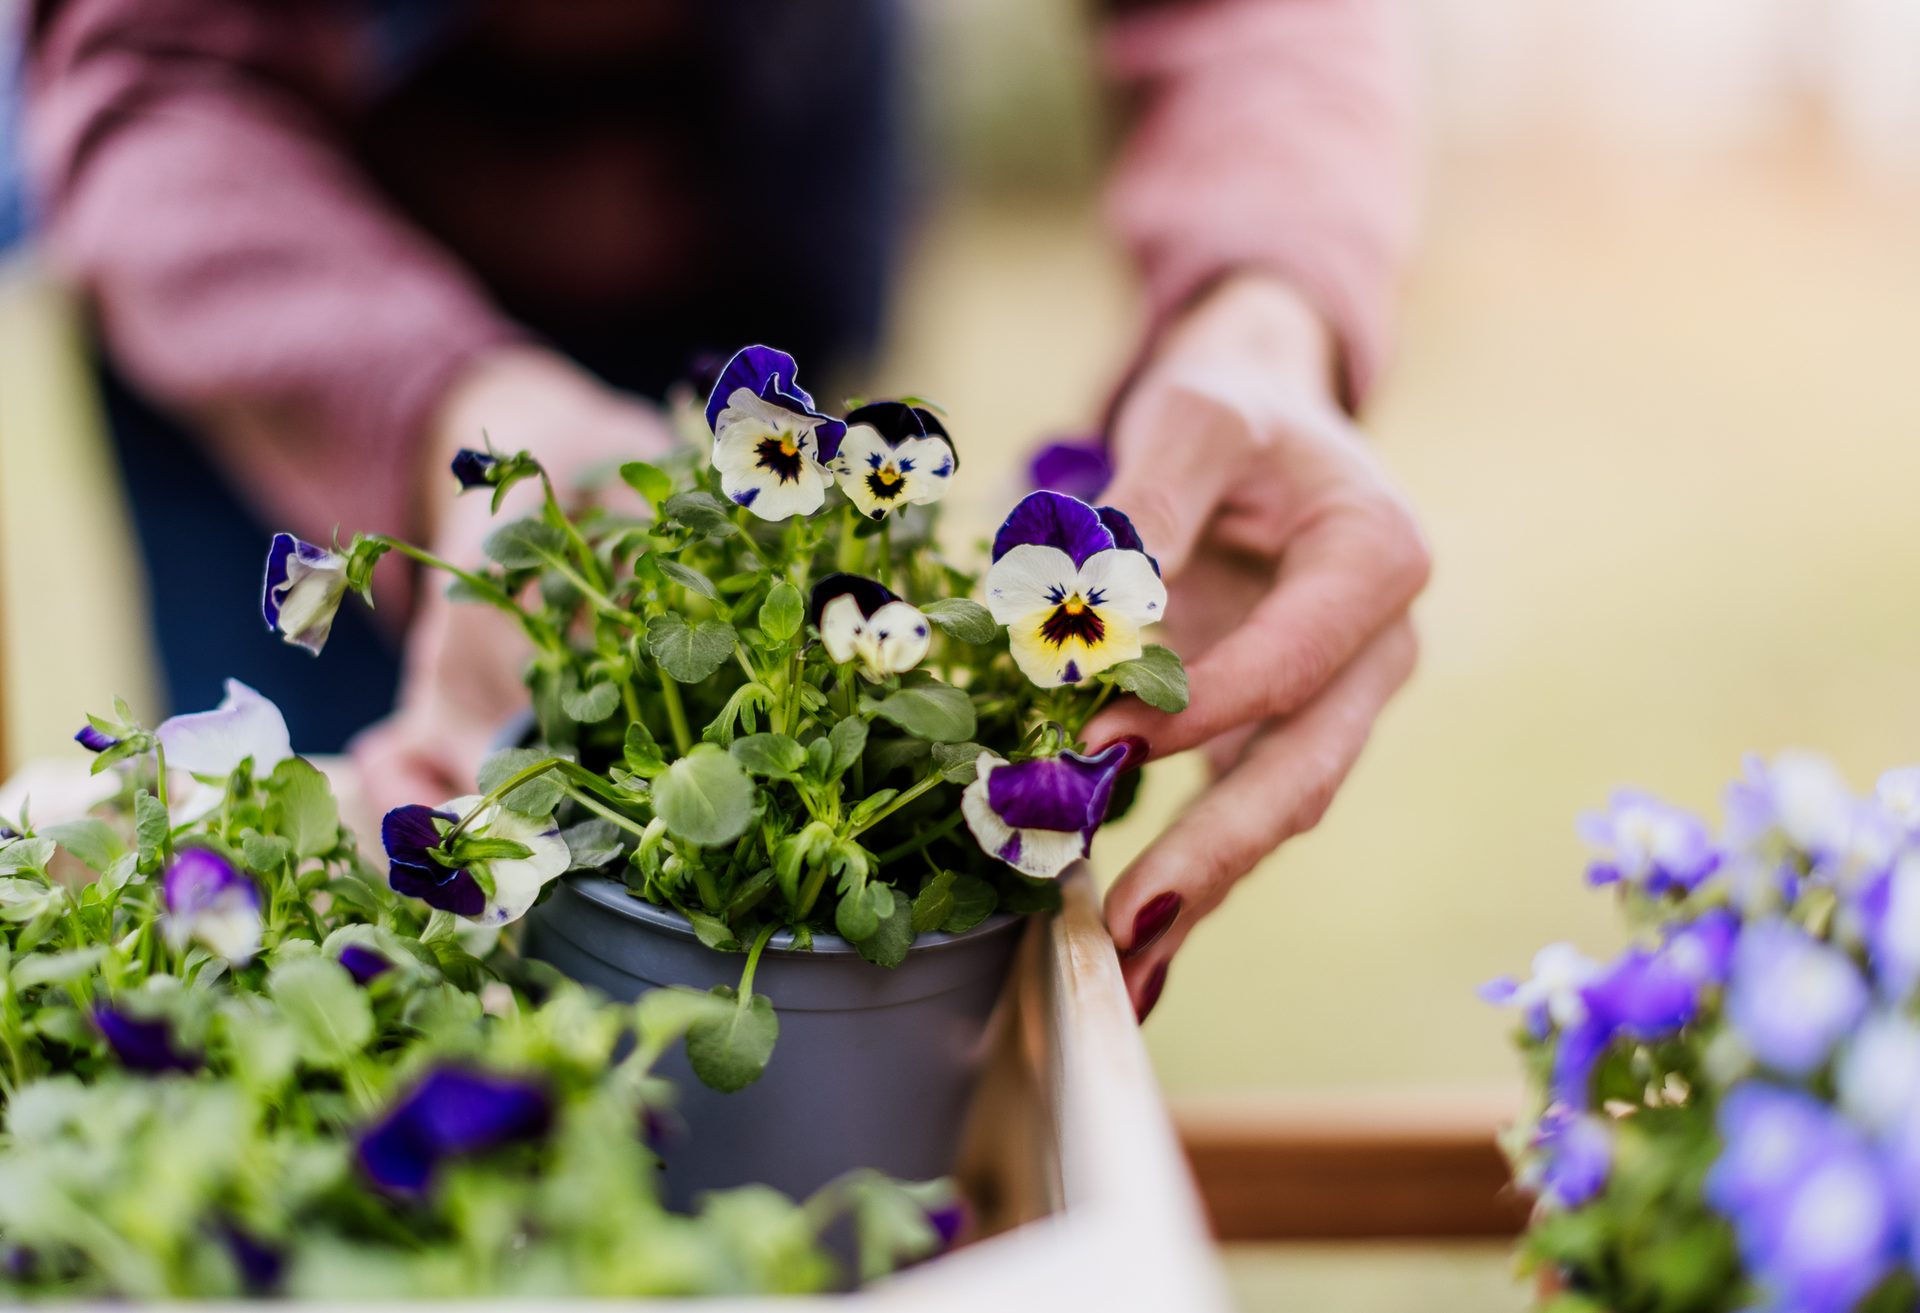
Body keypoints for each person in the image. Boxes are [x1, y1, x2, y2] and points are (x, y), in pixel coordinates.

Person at [24, 0, 1427, 1019]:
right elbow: (151, 66)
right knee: (344, 900)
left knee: (760, 791)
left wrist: (1265, 313)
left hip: (746, 176)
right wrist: (437, 409)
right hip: (301, 260)